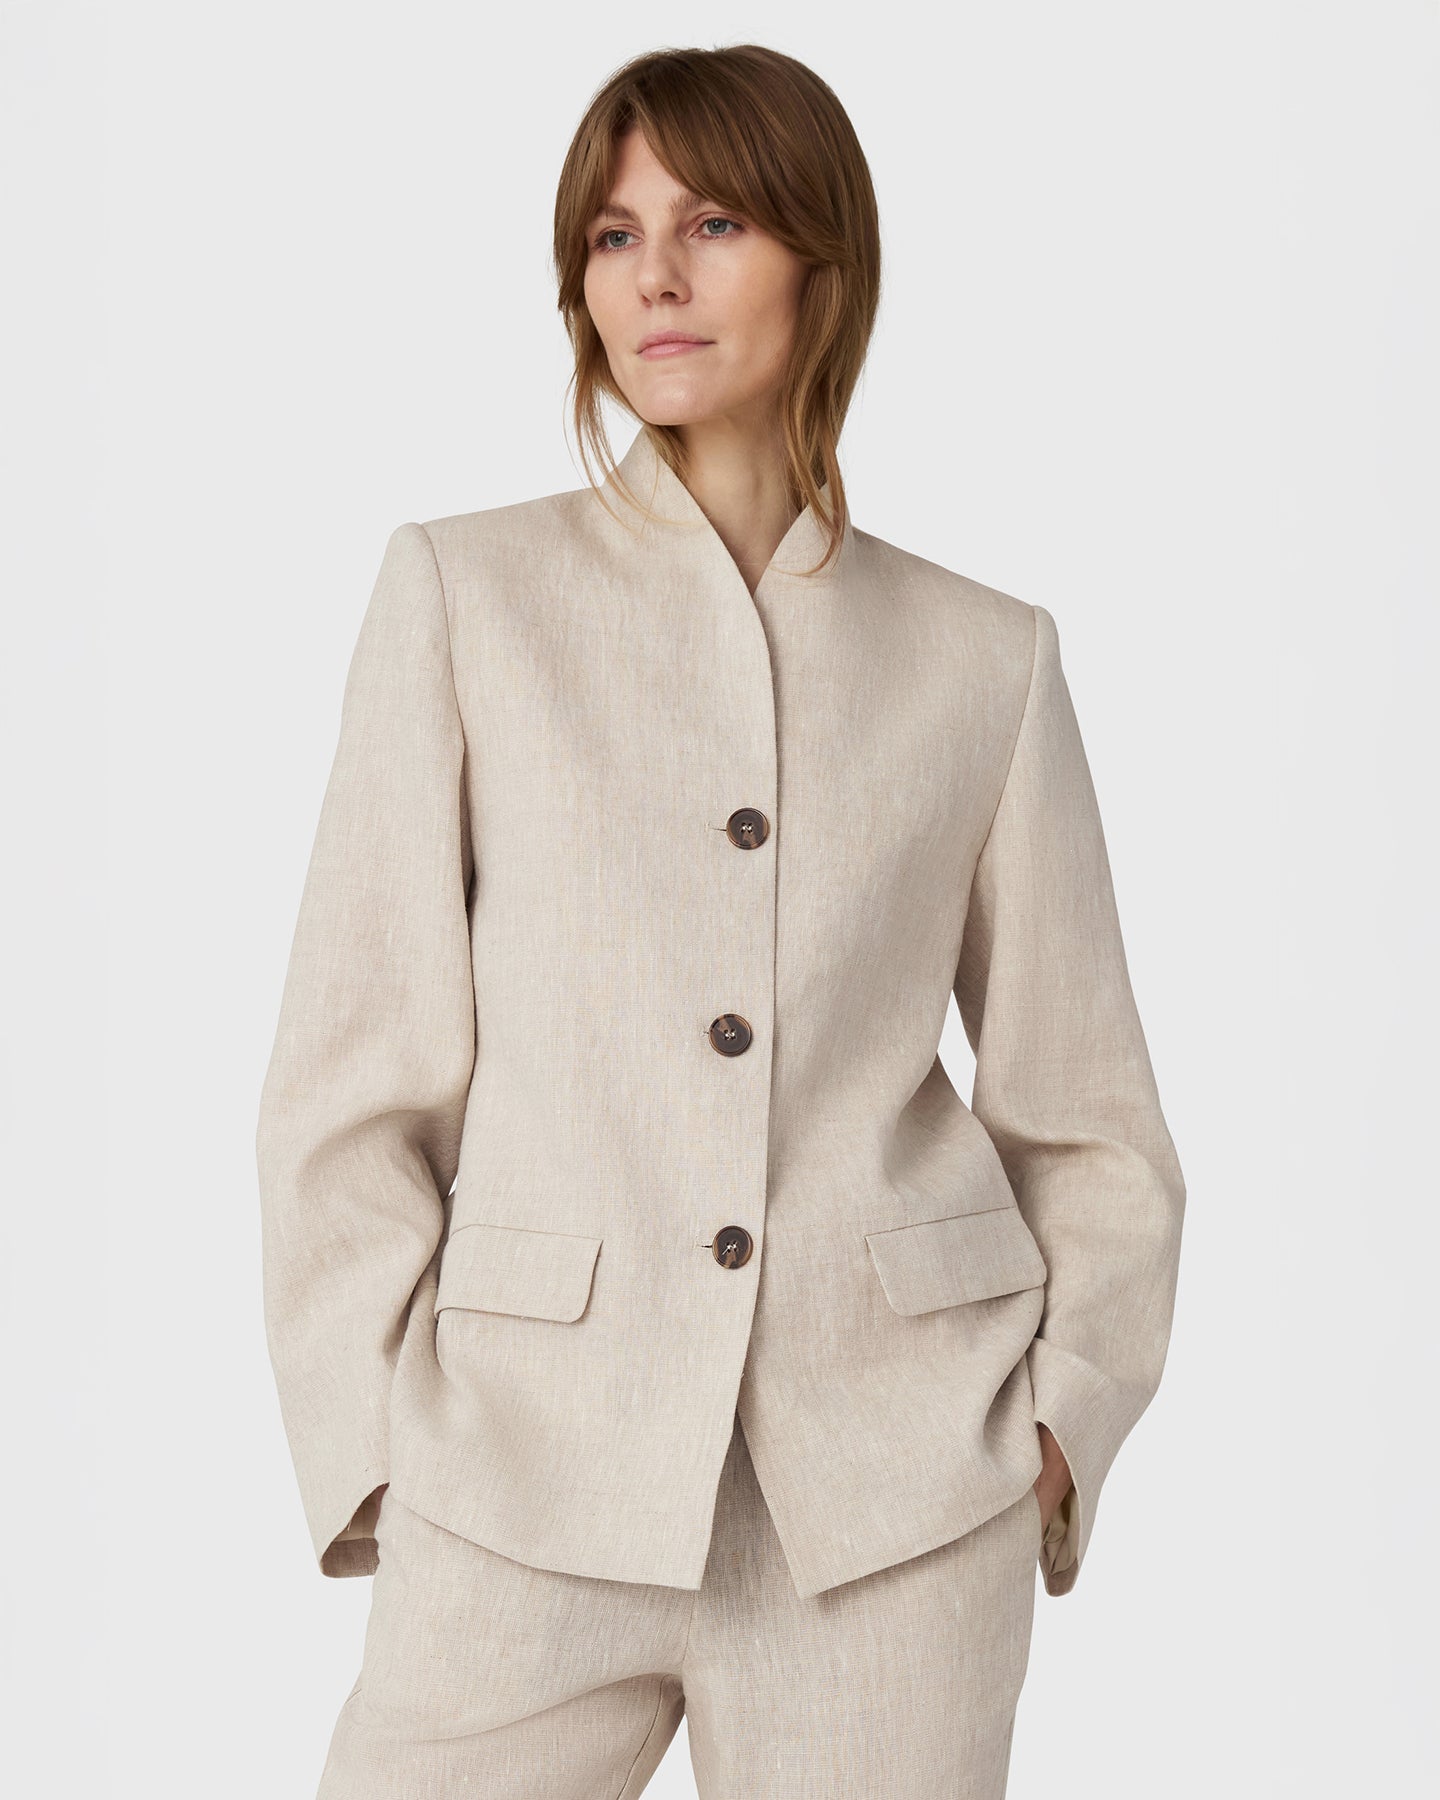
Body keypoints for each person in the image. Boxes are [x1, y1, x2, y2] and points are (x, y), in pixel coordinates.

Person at [256, 41, 1186, 1800]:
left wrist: (1057, 1427)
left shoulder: (983, 657)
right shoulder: (466, 593)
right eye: (613, 237)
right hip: (524, 1472)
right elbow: (353, 1072)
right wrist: (379, 1450)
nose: (653, 279)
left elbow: (1089, 1115)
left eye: (713, 223)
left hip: (895, 1502)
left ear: (824, 259)